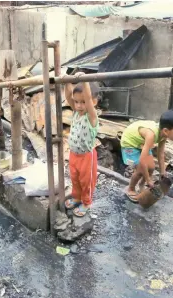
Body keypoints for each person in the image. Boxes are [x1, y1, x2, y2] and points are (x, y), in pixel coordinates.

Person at [121, 110, 173, 202]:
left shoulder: (163, 134)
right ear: (166, 131)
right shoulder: (151, 135)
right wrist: (148, 179)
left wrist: (163, 172)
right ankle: (130, 188)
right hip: (130, 143)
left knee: (151, 167)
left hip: (142, 143)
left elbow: (161, 153)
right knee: (140, 170)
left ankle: (141, 185)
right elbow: (142, 161)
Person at [63, 74, 100, 217]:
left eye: (82, 102)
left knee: (86, 181)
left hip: (86, 156)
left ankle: (86, 202)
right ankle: (77, 197)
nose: (79, 105)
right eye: (76, 102)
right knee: (75, 178)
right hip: (73, 154)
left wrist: (85, 82)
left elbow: (88, 99)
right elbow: (68, 96)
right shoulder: (76, 113)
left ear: (93, 102)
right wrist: (67, 82)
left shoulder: (91, 117)